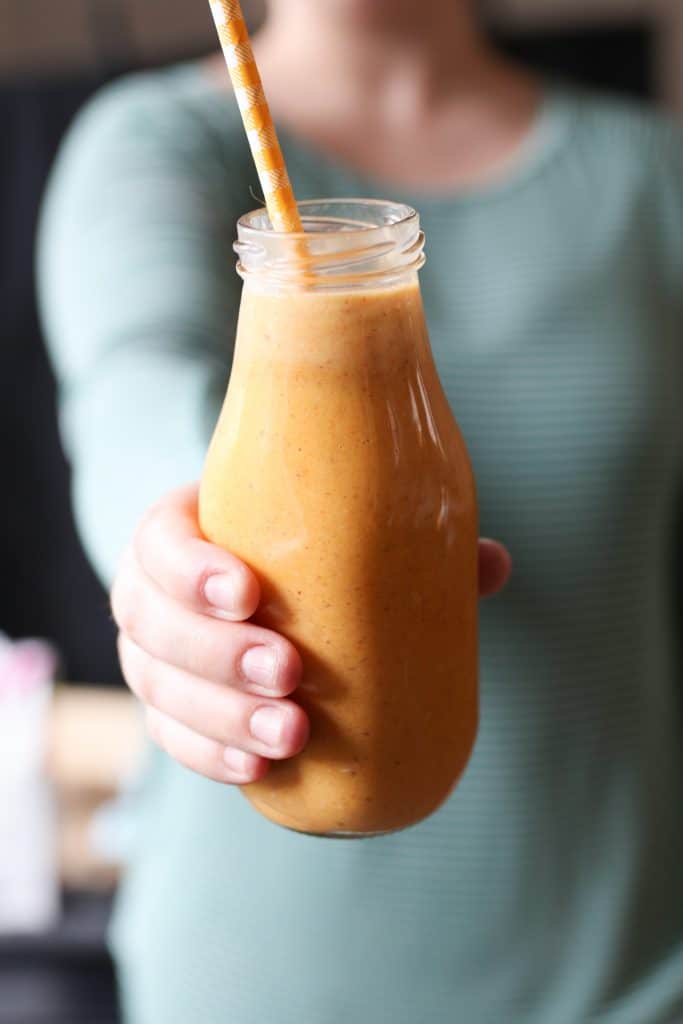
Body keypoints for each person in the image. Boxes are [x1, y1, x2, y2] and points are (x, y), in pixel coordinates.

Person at [38, 0, 683, 1021]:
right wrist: (177, 565)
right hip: (255, 987)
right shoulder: (157, 144)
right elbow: (133, 394)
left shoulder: (652, 178)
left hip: (626, 974)